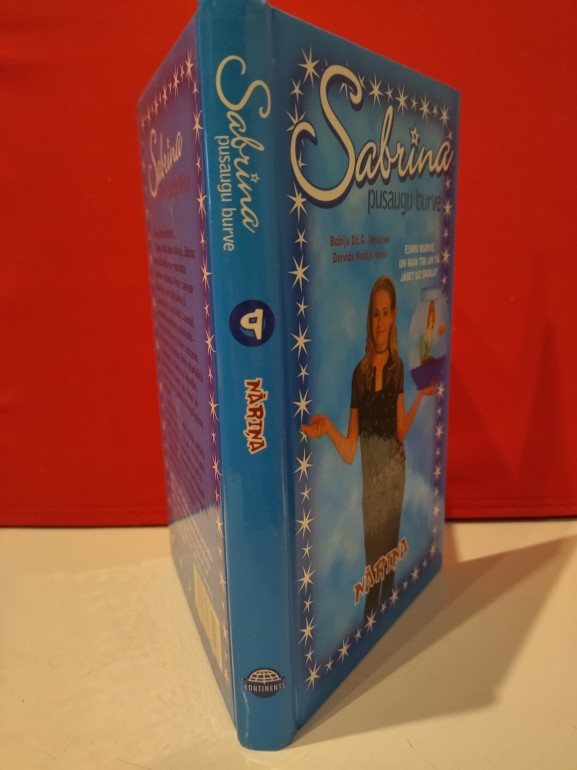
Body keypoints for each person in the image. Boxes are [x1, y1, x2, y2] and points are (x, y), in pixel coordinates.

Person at [302, 276, 434, 622]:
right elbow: (349, 450)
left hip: (395, 476)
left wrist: (420, 397)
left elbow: (400, 432)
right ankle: (373, 622)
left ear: (393, 317)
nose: (380, 321)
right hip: (370, 485)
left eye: (386, 313)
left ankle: (384, 621)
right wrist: (327, 429)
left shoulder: (397, 369)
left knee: (387, 561)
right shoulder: (359, 375)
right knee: (373, 563)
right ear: (370, 318)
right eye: (375, 313)